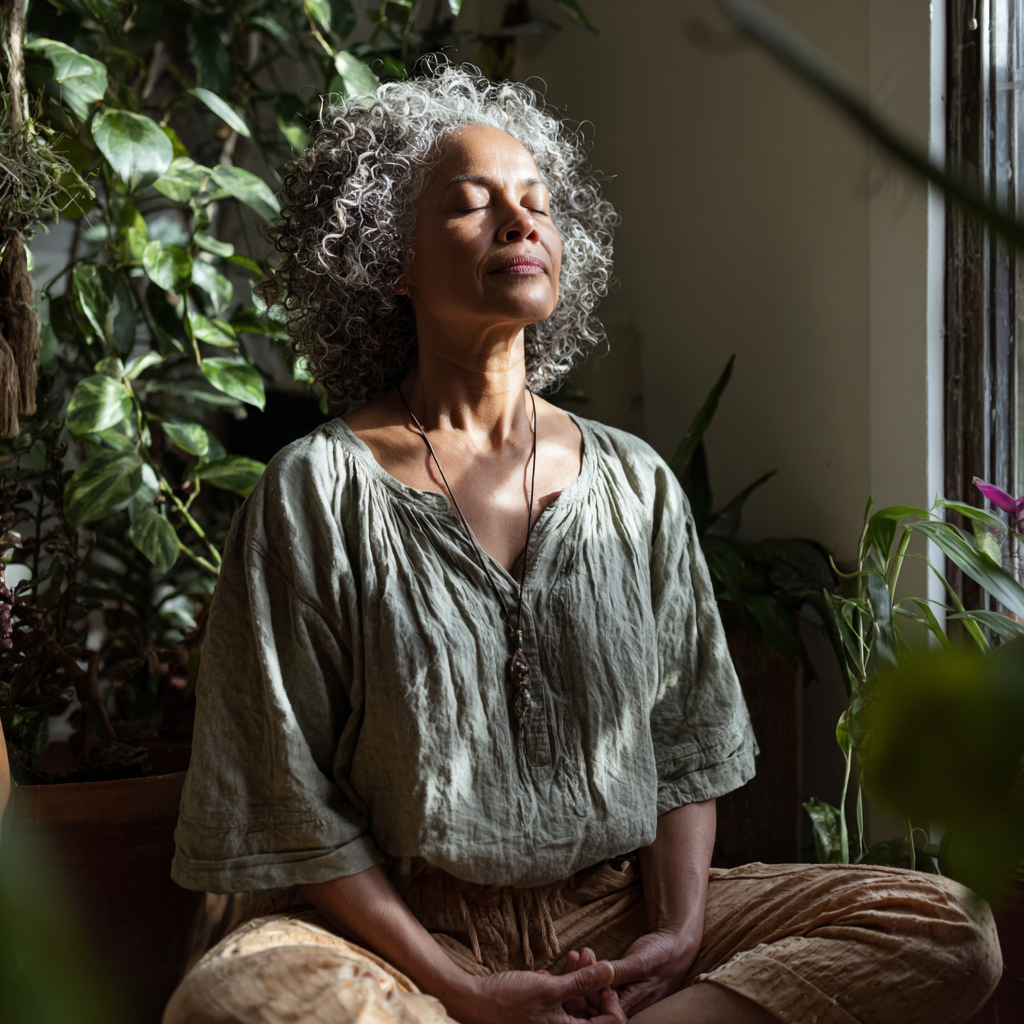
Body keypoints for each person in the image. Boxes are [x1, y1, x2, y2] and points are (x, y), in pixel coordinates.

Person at [165, 65, 1001, 1024]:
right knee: (234, 1003)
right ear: (386, 258)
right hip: (402, 935)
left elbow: (684, 744)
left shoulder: (635, 482)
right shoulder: (314, 489)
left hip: (617, 911)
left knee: (942, 927)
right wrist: (460, 987)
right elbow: (286, 794)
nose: (521, 222)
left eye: (538, 204)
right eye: (473, 206)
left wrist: (676, 938)